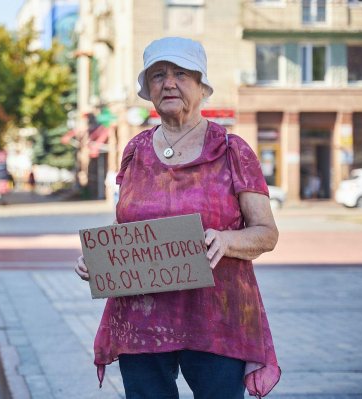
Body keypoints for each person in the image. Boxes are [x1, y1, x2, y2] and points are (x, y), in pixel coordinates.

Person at [75, 37, 281, 399]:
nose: (168, 82)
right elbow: (127, 229)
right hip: (141, 318)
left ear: (202, 86)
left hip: (215, 316)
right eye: (157, 75)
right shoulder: (135, 150)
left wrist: (228, 239)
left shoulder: (232, 150)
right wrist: (101, 258)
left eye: (181, 73)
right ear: (148, 89)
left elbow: (266, 233)